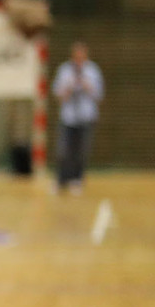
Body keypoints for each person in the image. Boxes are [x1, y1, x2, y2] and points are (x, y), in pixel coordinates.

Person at [53, 40, 103, 193]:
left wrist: (87, 85)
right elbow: (57, 93)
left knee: (82, 150)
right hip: (68, 117)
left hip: (86, 117)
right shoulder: (65, 70)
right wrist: (68, 88)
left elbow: (99, 94)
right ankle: (61, 180)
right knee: (64, 150)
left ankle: (77, 179)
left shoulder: (93, 71)